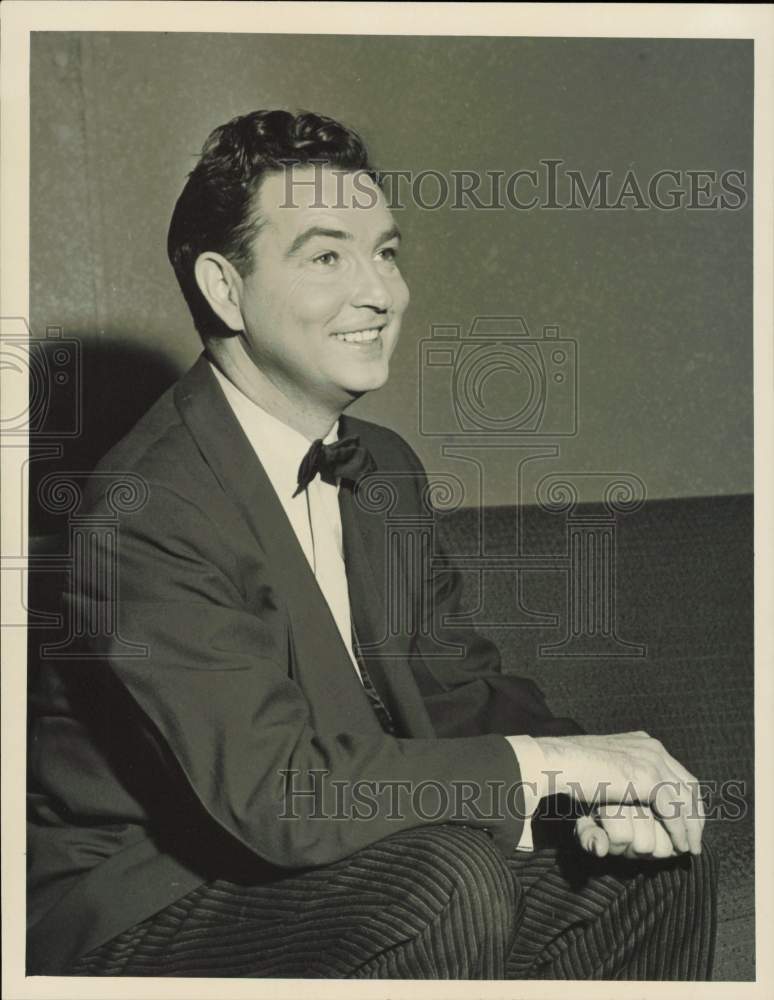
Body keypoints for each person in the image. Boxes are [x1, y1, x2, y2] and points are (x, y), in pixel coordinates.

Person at [27, 109, 717, 979]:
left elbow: (460, 696)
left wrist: (600, 785)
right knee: (443, 880)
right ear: (223, 288)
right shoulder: (145, 509)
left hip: (334, 858)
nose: (381, 293)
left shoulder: (381, 467)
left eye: (385, 252)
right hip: (142, 908)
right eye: (325, 257)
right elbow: (279, 797)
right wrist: (554, 766)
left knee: (651, 869)